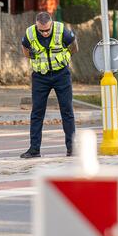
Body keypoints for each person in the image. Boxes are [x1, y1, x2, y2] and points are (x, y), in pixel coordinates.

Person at [20, 12, 78, 158]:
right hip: (40, 77)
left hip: (61, 75)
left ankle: (72, 148)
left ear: (51, 24)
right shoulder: (30, 33)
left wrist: (65, 58)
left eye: (47, 30)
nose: (45, 33)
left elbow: (74, 46)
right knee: (37, 113)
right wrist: (32, 57)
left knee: (67, 110)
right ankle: (34, 149)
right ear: (37, 25)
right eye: (42, 30)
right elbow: (25, 49)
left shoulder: (61, 30)